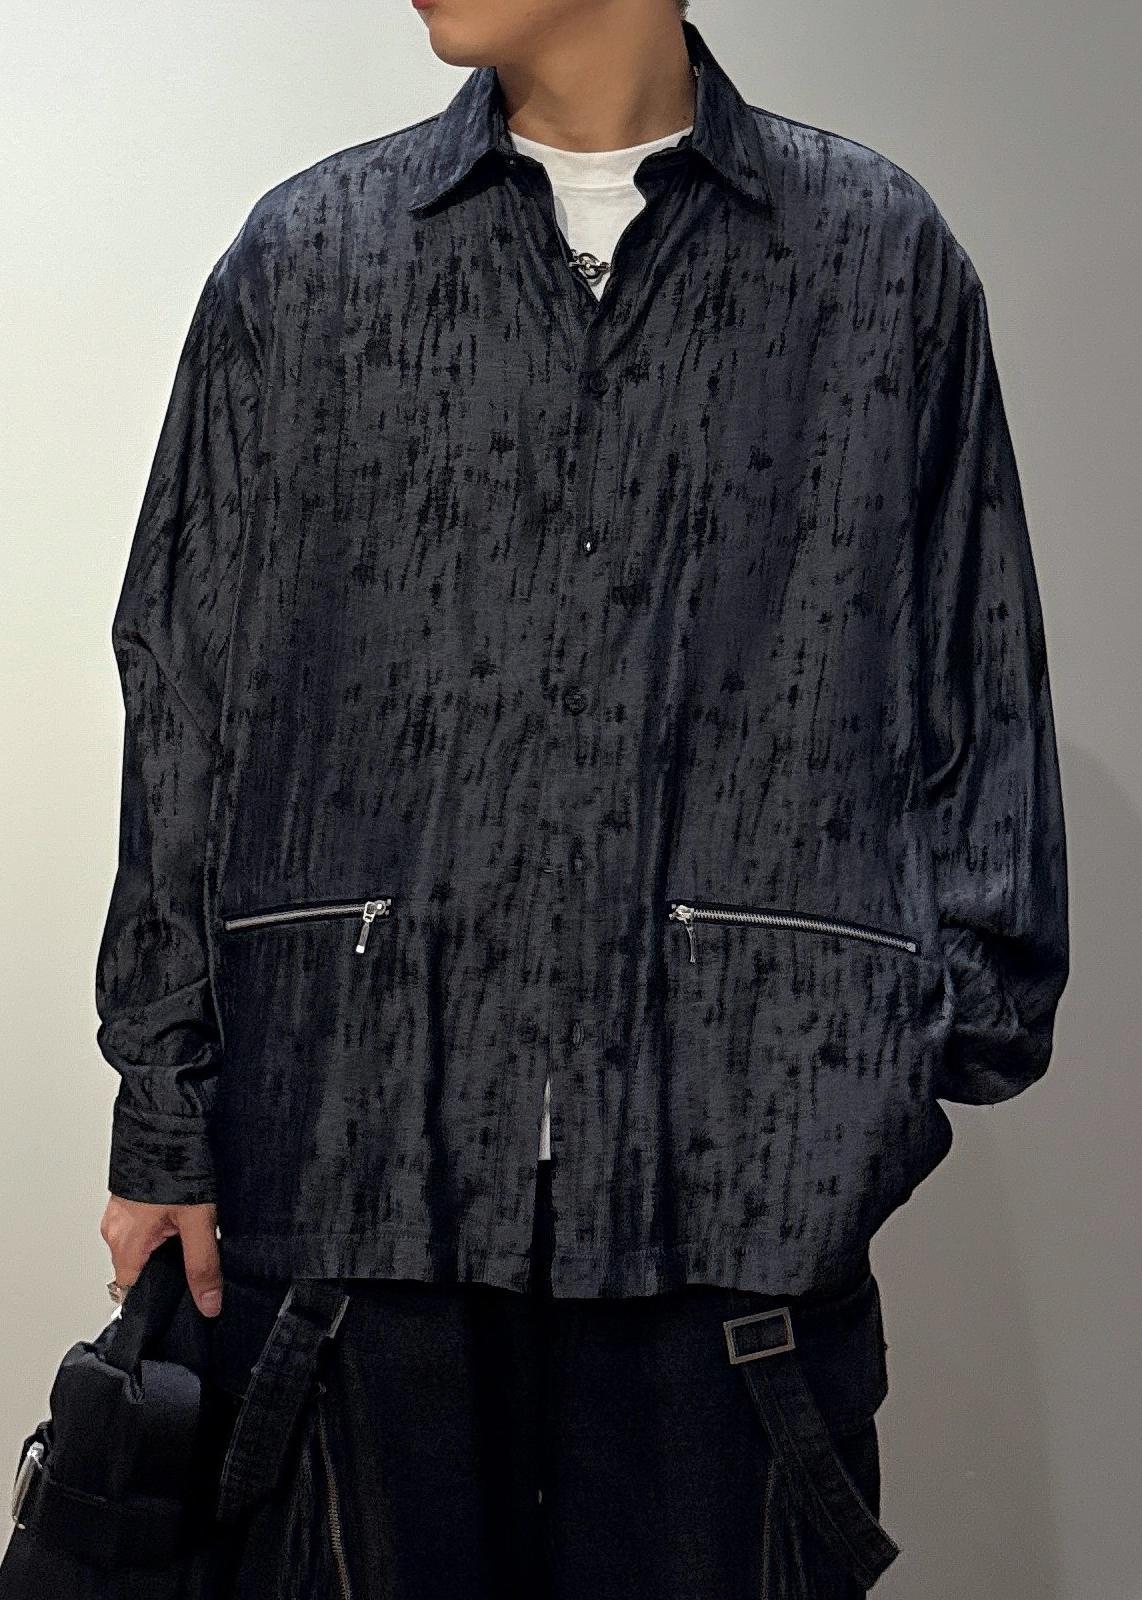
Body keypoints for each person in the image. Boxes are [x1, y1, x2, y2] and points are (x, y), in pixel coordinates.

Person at [94, 1, 1070, 1595]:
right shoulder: (311, 256)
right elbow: (184, 693)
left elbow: (980, 679)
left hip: (730, 1209)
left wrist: (881, 1077)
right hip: (353, 1178)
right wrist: (164, 1114)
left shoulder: (870, 255)